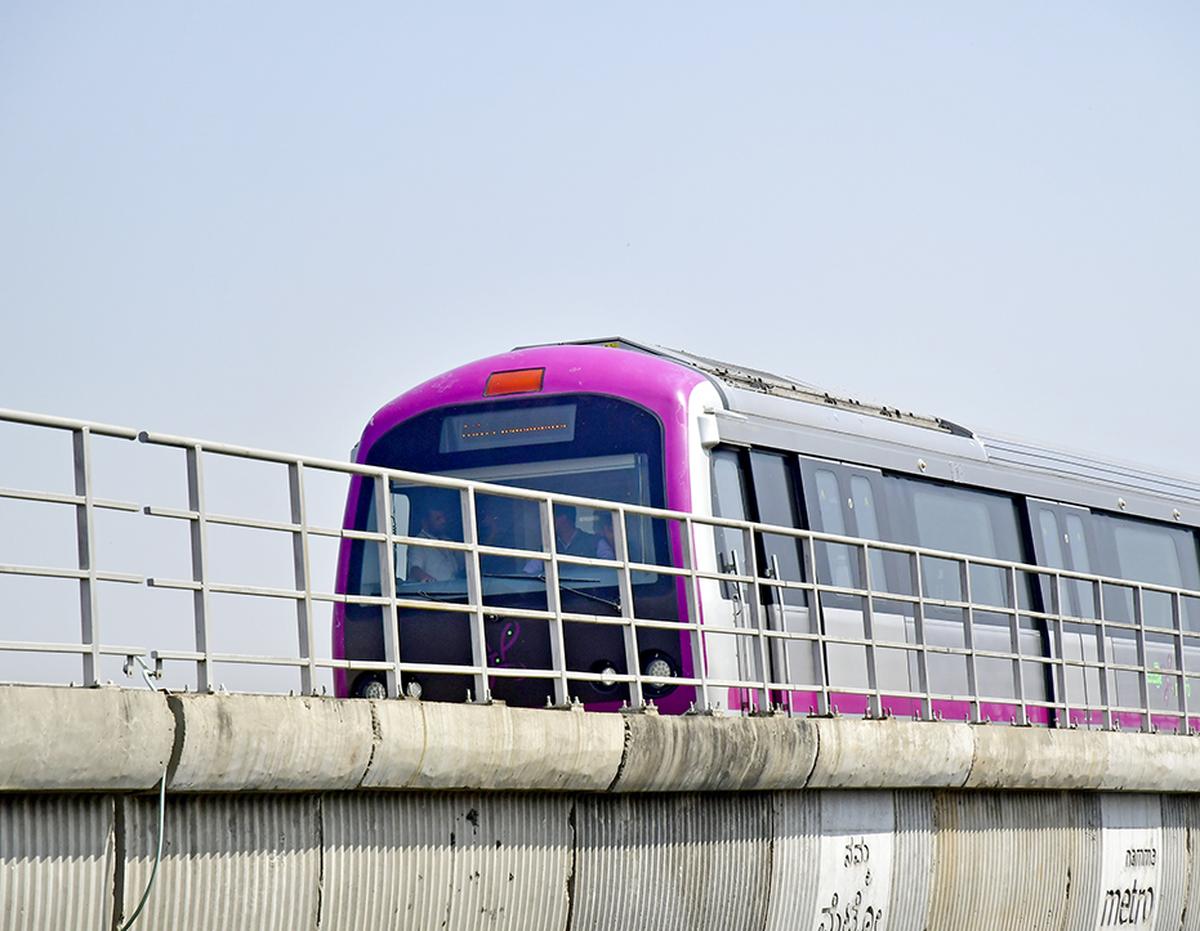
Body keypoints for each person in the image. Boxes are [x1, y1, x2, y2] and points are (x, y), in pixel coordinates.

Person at [408, 504, 462, 582]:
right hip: (437, 592)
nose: (443, 521)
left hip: (457, 591)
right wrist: (429, 581)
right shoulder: (418, 543)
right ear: (425, 522)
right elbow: (414, 570)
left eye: (444, 518)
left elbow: (464, 563)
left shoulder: (448, 541)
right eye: (438, 518)